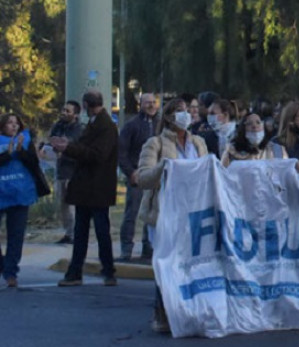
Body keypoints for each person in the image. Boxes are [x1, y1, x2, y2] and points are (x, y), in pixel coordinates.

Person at [135, 98, 208, 332]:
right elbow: (143, 178)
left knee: (192, 265)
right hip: (164, 213)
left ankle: (189, 312)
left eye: (188, 111)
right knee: (167, 264)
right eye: (179, 111)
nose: (185, 115)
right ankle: (162, 313)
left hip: (193, 213)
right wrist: (163, 168)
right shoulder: (155, 143)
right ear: (168, 117)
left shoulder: (198, 143)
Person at [53, 90, 119, 287]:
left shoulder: (105, 126)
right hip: (87, 188)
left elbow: (97, 155)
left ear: (86, 106)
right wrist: (69, 146)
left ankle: (107, 271)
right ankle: (77, 271)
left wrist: (69, 148)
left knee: (100, 231)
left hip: (96, 187)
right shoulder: (96, 124)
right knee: (83, 232)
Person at [1, 114, 43, 288]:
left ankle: (11, 273)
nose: (13, 126)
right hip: (2, 193)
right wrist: (7, 155)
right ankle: (4, 265)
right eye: (10, 123)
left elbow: (34, 163)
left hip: (20, 195)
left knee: (16, 236)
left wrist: (21, 151)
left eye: (16, 123)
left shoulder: (25, 141)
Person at [117, 92, 158, 262]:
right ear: (140, 104)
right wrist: (130, 172)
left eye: (153, 102)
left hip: (156, 177)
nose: (151, 105)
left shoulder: (160, 124)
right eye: (147, 102)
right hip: (137, 176)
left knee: (152, 213)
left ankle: (148, 248)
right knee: (131, 213)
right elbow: (121, 152)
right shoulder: (132, 125)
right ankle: (126, 249)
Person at [44, 100, 83, 244]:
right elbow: (51, 141)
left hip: (73, 171)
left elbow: (75, 146)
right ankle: (68, 232)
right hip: (60, 169)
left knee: (72, 204)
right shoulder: (58, 126)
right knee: (63, 204)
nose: (64, 113)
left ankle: (75, 233)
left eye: (68, 111)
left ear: (75, 114)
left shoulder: (78, 129)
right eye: (63, 110)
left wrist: (63, 146)